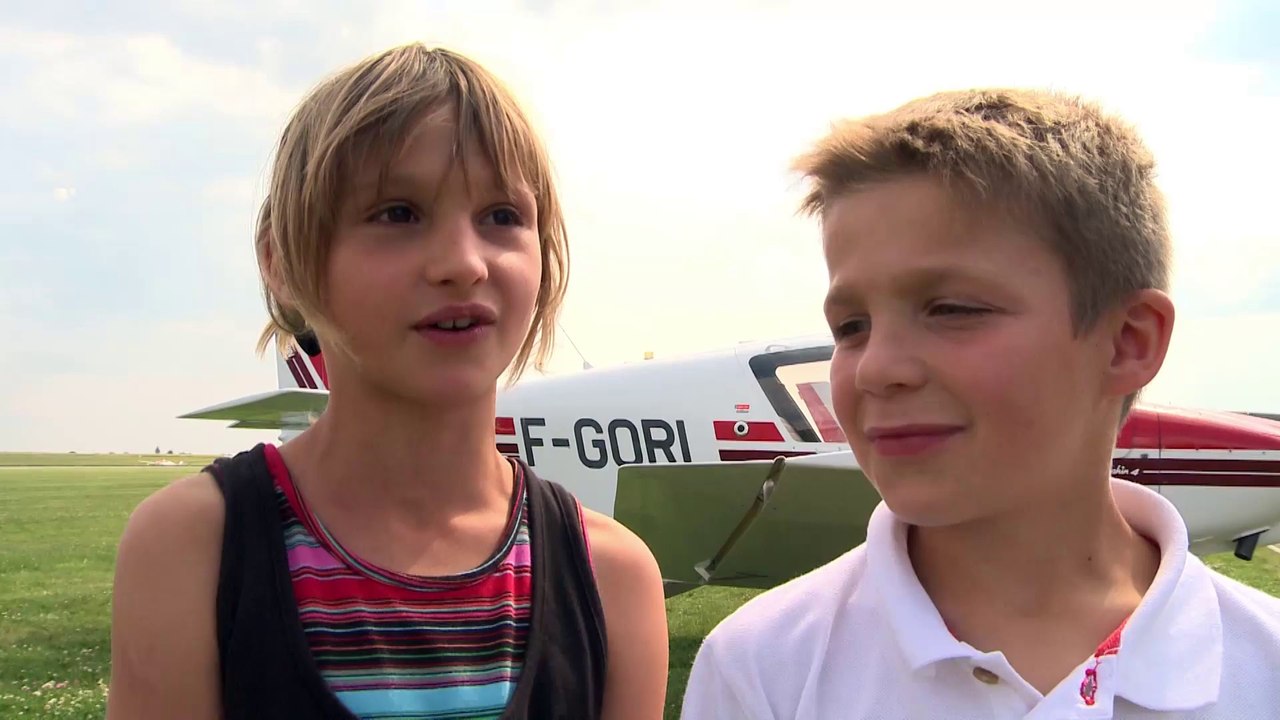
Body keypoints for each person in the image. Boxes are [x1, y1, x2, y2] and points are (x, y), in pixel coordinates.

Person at [107, 43, 669, 720]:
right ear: (281, 261)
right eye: (398, 213)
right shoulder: (194, 548)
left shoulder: (613, 577)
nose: (463, 264)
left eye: (502, 217)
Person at [680, 88, 1280, 718]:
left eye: (952, 310)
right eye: (851, 326)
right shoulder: (763, 666)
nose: (878, 368)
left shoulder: (1262, 666)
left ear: (1127, 342)